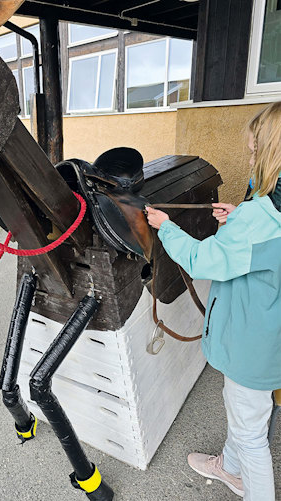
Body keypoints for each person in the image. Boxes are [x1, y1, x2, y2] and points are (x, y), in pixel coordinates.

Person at [145, 102, 281, 501]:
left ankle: (247, 482)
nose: (251, 156)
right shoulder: (265, 214)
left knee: (252, 433)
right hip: (267, 336)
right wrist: (240, 215)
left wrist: (166, 228)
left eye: (256, 150)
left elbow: (203, 261)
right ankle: (230, 467)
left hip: (250, 343)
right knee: (246, 413)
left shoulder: (259, 220)